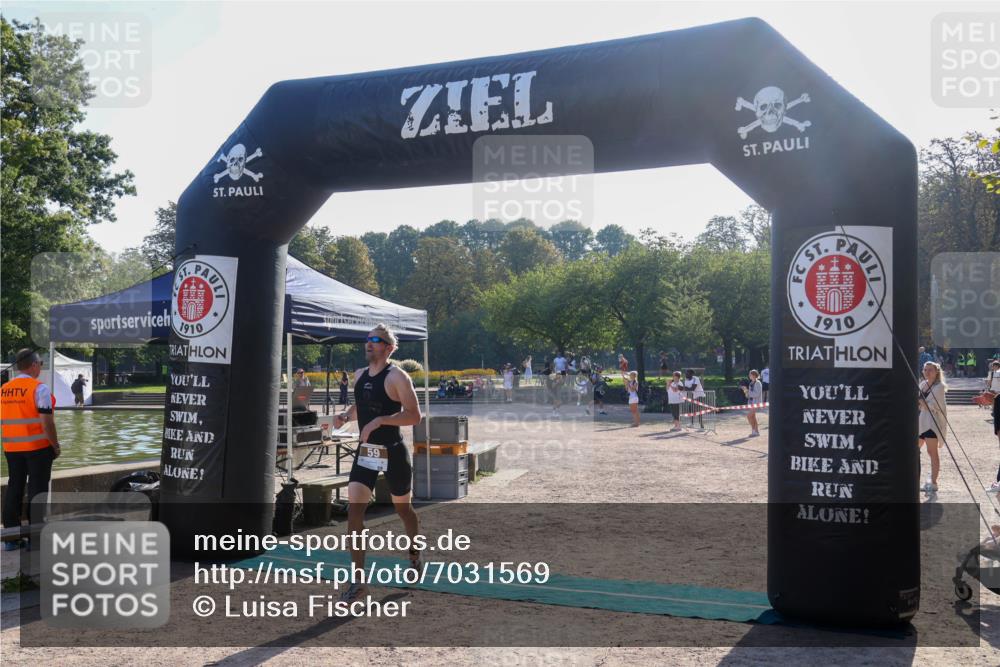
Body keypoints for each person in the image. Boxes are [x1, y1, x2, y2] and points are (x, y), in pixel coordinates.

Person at [333, 324, 422, 602]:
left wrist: (381, 420)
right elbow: (361, 402)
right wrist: (346, 416)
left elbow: (414, 416)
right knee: (354, 512)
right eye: (367, 339)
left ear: (388, 347)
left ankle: (415, 552)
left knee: (403, 509)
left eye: (375, 340)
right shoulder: (359, 375)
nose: (368, 344)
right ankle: (359, 584)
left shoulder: (398, 377)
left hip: (393, 451)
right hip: (367, 452)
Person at [2, 349, 61, 550]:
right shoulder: (39, 389)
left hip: (11, 447)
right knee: (38, 490)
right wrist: (55, 445)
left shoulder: (4, 389)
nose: (41, 368)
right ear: (34, 365)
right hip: (38, 448)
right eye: (40, 364)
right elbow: (47, 424)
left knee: (14, 488)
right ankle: (36, 540)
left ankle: (10, 538)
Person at [918, 361, 948, 495]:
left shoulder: (939, 386)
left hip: (932, 423)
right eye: (925, 370)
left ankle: (934, 482)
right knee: (914, 450)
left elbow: (932, 406)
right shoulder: (922, 384)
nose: (927, 372)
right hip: (920, 422)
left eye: (930, 370)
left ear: (936, 372)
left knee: (932, 452)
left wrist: (920, 401)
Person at [743, 370, 763, 437]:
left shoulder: (758, 383)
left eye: (750, 374)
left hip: (756, 403)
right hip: (751, 403)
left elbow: (757, 394)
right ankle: (756, 432)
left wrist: (748, 392)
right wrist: (745, 391)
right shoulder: (751, 383)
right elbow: (748, 396)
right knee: (753, 417)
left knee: (749, 416)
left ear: (754, 375)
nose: (749, 375)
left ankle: (754, 430)